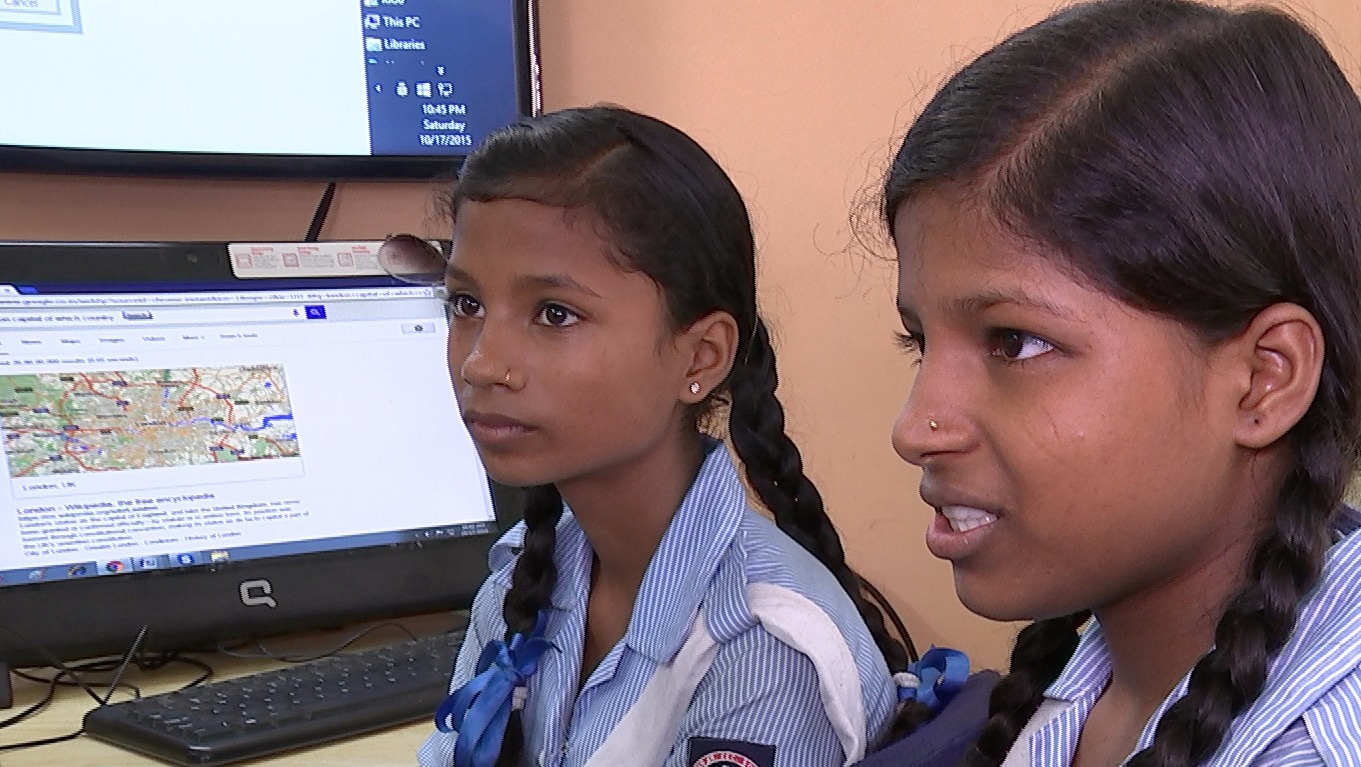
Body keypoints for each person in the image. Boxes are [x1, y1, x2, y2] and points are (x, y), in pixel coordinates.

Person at [881, 0, 1361, 765]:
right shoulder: (1101, 668)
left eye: (1014, 342)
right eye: (919, 341)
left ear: (1262, 379)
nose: (914, 428)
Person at [411, 105, 926, 767]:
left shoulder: (763, 648)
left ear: (700, 357)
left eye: (554, 313)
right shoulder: (519, 579)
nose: (482, 363)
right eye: (466, 304)